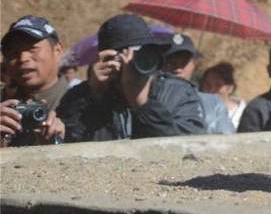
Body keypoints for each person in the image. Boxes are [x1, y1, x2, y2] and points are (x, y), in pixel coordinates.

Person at [56, 14, 206, 141]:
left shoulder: (177, 93)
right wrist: (92, 94)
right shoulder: (82, 96)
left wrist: (142, 103)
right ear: (106, 59)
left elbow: (187, 149)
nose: (132, 66)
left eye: (141, 57)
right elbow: (72, 147)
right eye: (123, 58)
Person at [0, 16, 68, 147]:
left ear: (57, 51)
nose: (22, 58)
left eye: (32, 48)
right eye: (13, 52)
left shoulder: (82, 101)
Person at [162, 33, 233, 134]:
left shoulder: (213, 103)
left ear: (194, 64)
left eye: (184, 61)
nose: (177, 68)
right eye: (171, 61)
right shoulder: (147, 98)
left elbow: (227, 140)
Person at [200, 62, 246, 127]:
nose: (212, 90)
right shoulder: (196, 111)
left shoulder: (245, 113)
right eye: (208, 85)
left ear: (230, 88)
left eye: (218, 85)